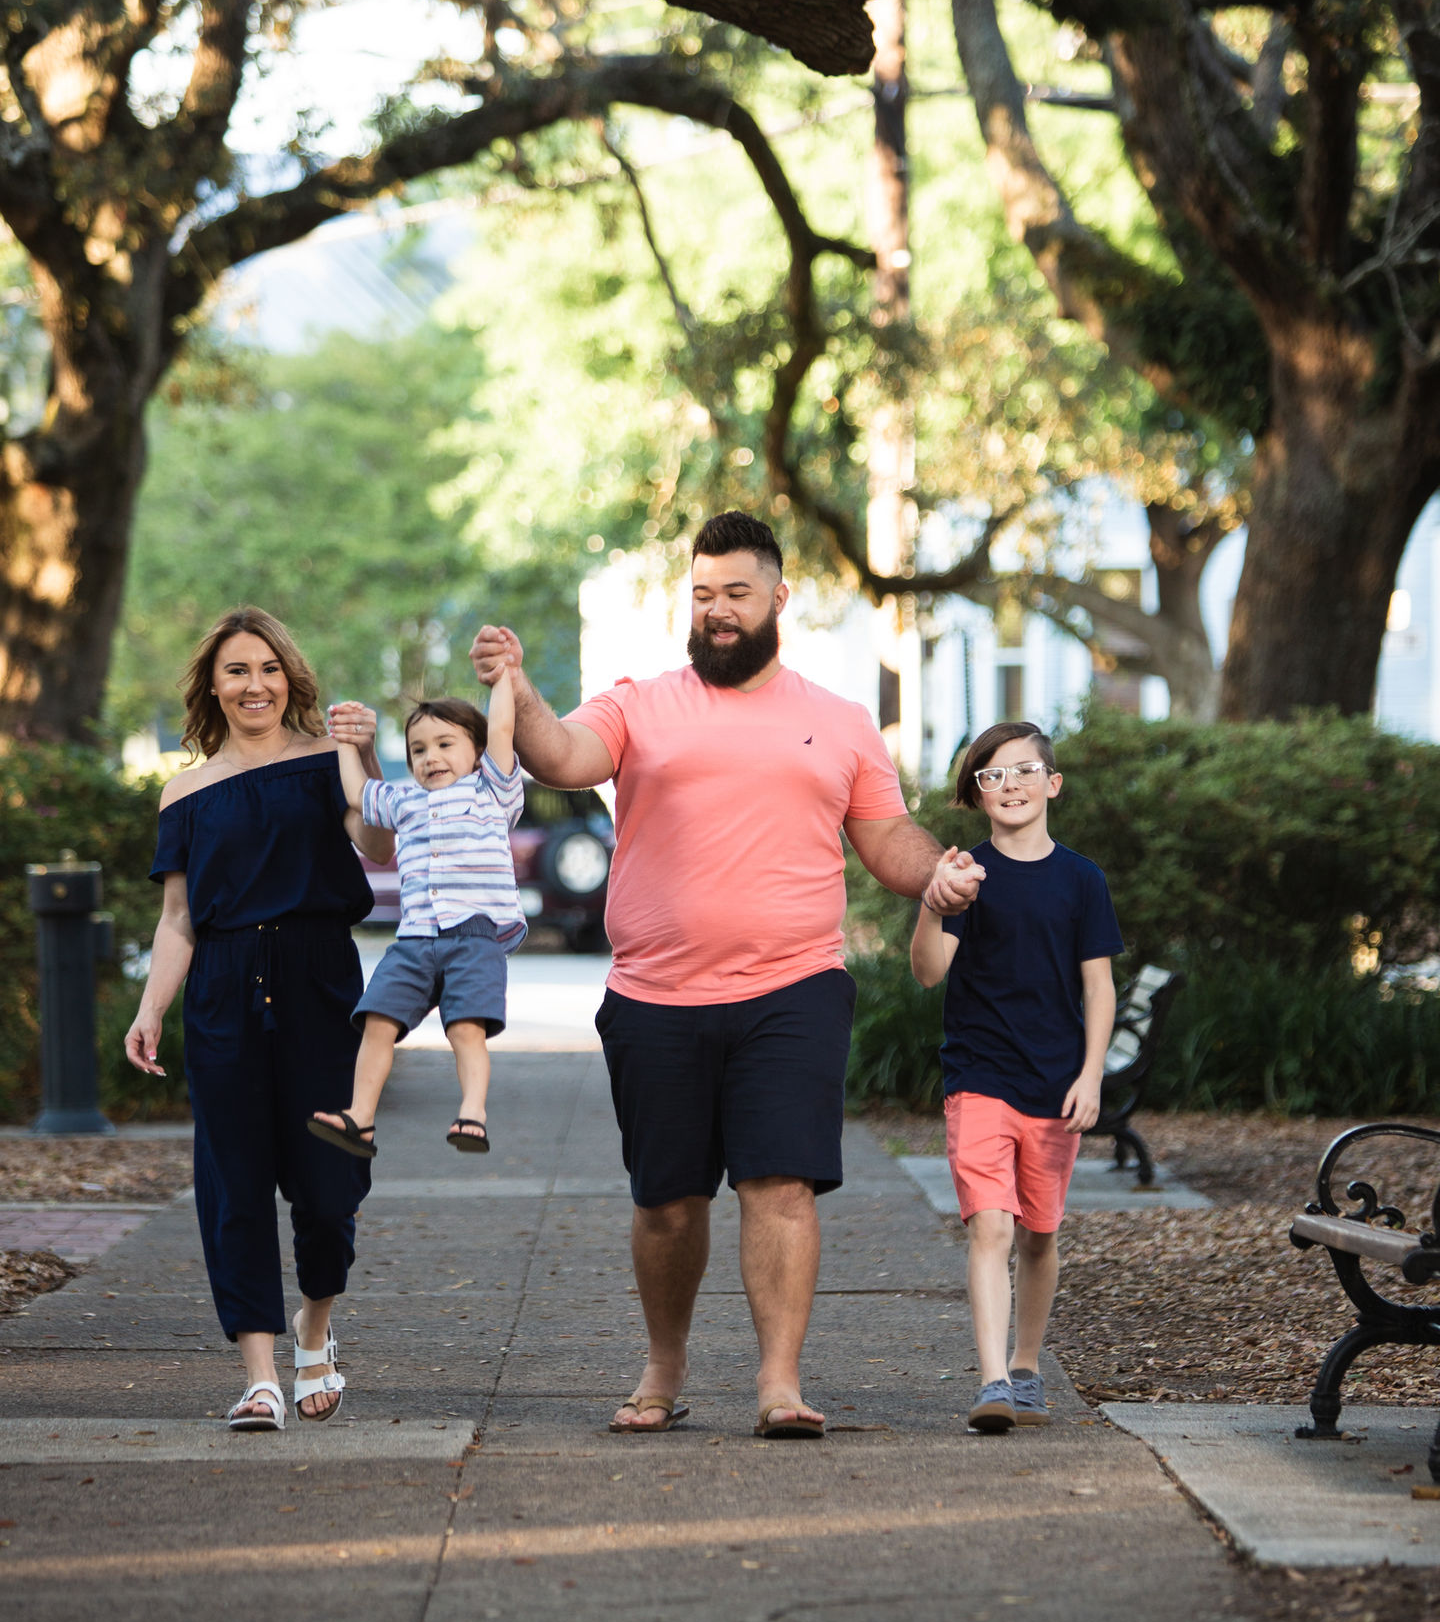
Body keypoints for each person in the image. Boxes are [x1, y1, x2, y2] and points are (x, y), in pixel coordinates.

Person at [471, 510, 978, 1439]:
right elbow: (563, 756)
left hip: (792, 991)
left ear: (779, 597)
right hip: (655, 998)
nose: (717, 612)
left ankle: (779, 1382)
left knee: (779, 1185)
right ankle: (663, 1368)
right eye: (703, 596)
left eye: (736, 594)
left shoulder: (839, 720)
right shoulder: (639, 703)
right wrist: (520, 690)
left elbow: (886, 839)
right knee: (666, 1204)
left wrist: (940, 871)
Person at [124, 608, 394, 1431]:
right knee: (232, 1185)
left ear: (291, 678)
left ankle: (316, 1333)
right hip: (223, 992)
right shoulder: (186, 791)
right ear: (214, 684)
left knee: (328, 1178)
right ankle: (260, 1375)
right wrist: (151, 1007)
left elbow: (378, 847)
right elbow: (178, 919)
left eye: (269, 669)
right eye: (238, 670)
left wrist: (369, 753)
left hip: (318, 979)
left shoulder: (326, 761)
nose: (255, 684)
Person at [910, 719, 1124, 1434]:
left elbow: (1100, 988)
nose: (1010, 785)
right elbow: (928, 971)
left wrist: (1092, 1074)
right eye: (993, 775)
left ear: (1051, 783)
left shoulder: (1082, 879)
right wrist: (933, 903)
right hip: (980, 1076)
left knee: (1038, 1233)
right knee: (992, 1226)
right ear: (977, 792)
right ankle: (993, 1379)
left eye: (1023, 770)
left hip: (1056, 1083)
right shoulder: (967, 875)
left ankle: (1028, 1366)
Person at [309, 671, 525, 1160]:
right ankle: (359, 1119)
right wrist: (345, 739)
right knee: (377, 1021)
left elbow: (504, 728)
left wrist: (505, 674)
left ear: (477, 751)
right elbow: (356, 793)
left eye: (446, 744)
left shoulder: (492, 792)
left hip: (474, 937)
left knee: (465, 1028)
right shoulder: (404, 802)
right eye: (419, 750)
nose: (432, 758)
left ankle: (473, 1114)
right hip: (413, 941)